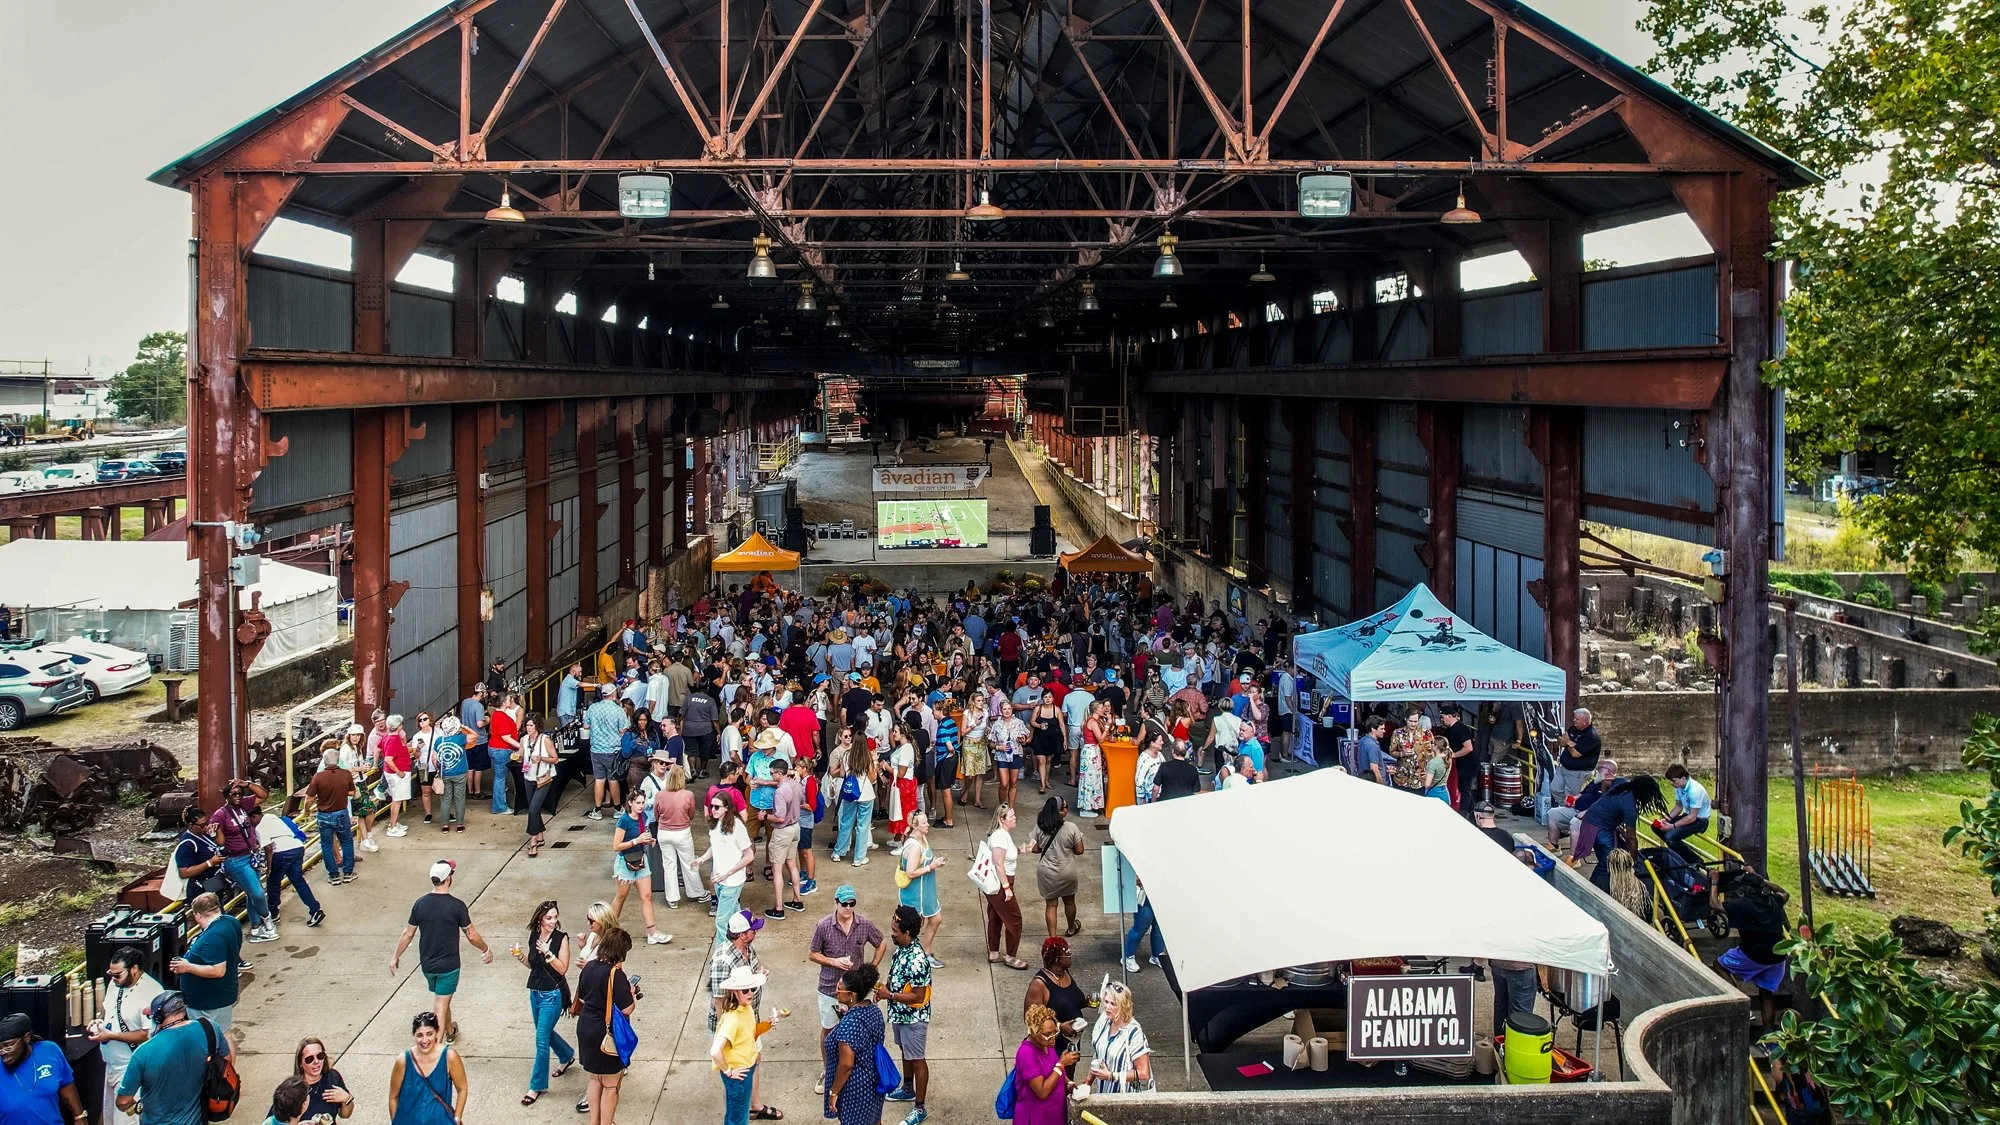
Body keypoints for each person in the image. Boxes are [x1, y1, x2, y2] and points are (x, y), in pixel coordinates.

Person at [391, 860, 494, 1040]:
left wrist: (395, 957)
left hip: (428, 966)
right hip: (448, 966)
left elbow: (407, 934)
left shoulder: (420, 904)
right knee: (440, 1007)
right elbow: (471, 935)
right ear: (448, 879)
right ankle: (435, 1051)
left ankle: (450, 1030)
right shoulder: (456, 906)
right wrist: (485, 949)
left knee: (443, 1000)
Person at [116, 992, 231, 1125]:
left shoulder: (143, 1053)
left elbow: (123, 1102)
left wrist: (135, 1106)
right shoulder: (211, 1028)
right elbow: (226, 1062)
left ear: (158, 1018)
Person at [809, 885, 888, 1073]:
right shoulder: (823, 926)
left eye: (852, 904)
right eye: (844, 904)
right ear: (836, 903)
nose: (848, 908)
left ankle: (856, 1066)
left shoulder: (864, 924)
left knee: (861, 1030)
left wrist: (871, 968)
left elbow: (881, 942)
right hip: (830, 988)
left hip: (856, 991)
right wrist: (834, 962)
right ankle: (828, 1069)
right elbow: (813, 954)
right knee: (829, 1031)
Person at [91, 946, 165, 1125]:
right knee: (109, 1118)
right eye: (111, 974)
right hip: (111, 1064)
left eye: (117, 975)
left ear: (134, 970)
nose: (113, 978)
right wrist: (98, 1022)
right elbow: (107, 1009)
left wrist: (112, 1035)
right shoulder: (115, 984)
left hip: (131, 1067)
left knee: (126, 1119)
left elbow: (148, 1034)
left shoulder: (151, 992)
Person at [515, 900, 577, 1106]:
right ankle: (567, 1055)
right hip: (535, 992)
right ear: (540, 919)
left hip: (553, 995)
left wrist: (548, 953)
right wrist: (521, 956)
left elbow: (562, 969)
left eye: (555, 917)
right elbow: (533, 965)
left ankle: (536, 1086)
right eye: (549, 918)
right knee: (546, 1033)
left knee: (541, 1040)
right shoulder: (534, 935)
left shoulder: (561, 939)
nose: (553, 921)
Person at [1715, 865, 1792, 1025]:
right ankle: (1769, 1038)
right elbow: (1785, 892)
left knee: (1719, 965)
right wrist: (1760, 878)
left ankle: (1743, 1006)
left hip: (1753, 954)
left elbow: (1714, 904)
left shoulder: (1742, 905)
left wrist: (1714, 883)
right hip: (1777, 957)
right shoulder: (1773, 901)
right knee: (1766, 994)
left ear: (1747, 889)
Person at [878, 905, 934, 1125]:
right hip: (899, 1015)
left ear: (907, 933)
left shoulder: (918, 960)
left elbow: (918, 997)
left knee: (917, 1059)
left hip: (914, 1019)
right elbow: (899, 978)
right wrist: (885, 990)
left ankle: (919, 1108)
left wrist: (889, 994)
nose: (891, 933)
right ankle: (908, 1088)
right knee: (906, 1051)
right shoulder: (902, 948)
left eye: (895, 931)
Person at [576, 927, 637, 1125]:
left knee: (595, 1079)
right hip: (605, 1032)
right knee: (611, 1085)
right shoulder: (615, 974)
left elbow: (583, 997)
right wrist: (631, 992)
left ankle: (594, 1122)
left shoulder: (589, 967)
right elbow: (627, 1008)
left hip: (586, 1027)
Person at [712, 966, 784, 1125]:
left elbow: (749, 1032)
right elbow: (715, 1051)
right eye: (745, 991)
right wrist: (729, 1071)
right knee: (739, 1120)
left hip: (745, 1069)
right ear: (734, 992)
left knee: (735, 1115)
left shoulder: (745, 1008)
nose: (750, 993)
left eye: (752, 988)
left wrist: (768, 1024)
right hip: (740, 1073)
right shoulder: (732, 1019)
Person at [209, 777, 276, 941]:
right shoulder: (220, 815)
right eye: (233, 794)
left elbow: (263, 795)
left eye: (239, 793)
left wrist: (247, 784)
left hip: (251, 856)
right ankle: (267, 920)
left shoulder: (244, 806)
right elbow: (219, 840)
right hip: (236, 860)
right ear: (227, 796)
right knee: (258, 893)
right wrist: (215, 831)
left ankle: (255, 928)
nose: (238, 796)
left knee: (251, 893)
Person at [822, 964, 887, 1125]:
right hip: (875, 1081)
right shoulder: (873, 1010)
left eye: (840, 988)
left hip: (855, 1089)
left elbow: (846, 1065)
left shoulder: (848, 1025)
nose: (836, 991)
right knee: (875, 1120)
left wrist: (834, 1092)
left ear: (852, 994)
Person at [170, 892, 243, 1031]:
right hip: (217, 997)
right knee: (223, 1035)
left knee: (214, 1038)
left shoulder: (214, 936)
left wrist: (187, 967)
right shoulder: (230, 922)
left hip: (210, 1004)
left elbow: (218, 970)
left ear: (197, 915)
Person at [1583, 775, 1667, 892]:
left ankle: (1599, 889)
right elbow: (1631, 838)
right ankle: (1594, 891)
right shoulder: (1630, 807)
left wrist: (1606, 800)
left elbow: (1607, 781)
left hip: (1592, 818)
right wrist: (1634, 860)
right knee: (1609, 863)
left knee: (1608, 861)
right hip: (1599, 828)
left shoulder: (1622, 783)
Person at [611, 789, 673, 945]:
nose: (641, 806)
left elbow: (641, 836)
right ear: (630, 803)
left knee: (647, 896)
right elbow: (616, 846)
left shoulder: (643, 817)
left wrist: (648, 840)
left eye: (643, 802)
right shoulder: (623, 821)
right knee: (620, 897)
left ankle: (652, 932)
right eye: (637, 802)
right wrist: (636, 841)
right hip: (625, 863)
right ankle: (608, 928)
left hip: (640, 860)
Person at [0, 1010, 84, 1125]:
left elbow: (67, 1087)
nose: (3, 1052)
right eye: (0, 1047)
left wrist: (80, 1117)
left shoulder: (50, 1051)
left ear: (26, 1038)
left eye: (8, 1046)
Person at [387, 1012, 467, 1125]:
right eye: (420, 1035)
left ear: (437, 1033)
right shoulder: (403, 1061)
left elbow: (462, 1088)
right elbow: (393, 1097)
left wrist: (457, 1118)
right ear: (413, 1035)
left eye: (429, 1034)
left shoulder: (450, 1057)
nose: (425, 1040)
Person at [1023, 937, 1089, 1071]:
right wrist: (1059, 1027)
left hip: (1072, 1043)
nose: (1070, 955)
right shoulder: (1039, 985)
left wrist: (1086, 1002)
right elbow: (1030, 1019)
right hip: (1052, 1048)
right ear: (1057, 960)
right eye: (1067, 953)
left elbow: (1070, 1001)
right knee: (1054, 1084)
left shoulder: (1065, 974)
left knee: (1068, 1081)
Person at [1028, 796, 1086, 938]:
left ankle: (1052, 938)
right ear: (1060, 812)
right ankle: (1071, 928)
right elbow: (1080, 850)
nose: (1067, 809)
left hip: (1047, 872)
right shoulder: (1071, 828)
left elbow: (1035, 848)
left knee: (1051, 905)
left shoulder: (1040, 826)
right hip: (1067, 871)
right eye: (1065, 807)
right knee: (1069, 901)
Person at [980, 804, 1030, 970]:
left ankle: (994, 951)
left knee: (995, 915)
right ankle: (1010, 956)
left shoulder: (1002, 835)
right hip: (1001, 882)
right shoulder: (1000, 837)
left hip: (997, 883)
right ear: (1002, 820)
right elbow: (998, 863)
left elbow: (1003, 854)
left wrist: (1019, 850)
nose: (1015, 818)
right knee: (1014, 919)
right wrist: (1007, 887)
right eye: (1011, 816)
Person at [653, 762, 709, 909]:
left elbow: (656, 815)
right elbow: (691, 815)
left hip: (664, 832)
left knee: (669, 865)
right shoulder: (688, 795)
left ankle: (672, 898)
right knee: (689, 863)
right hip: (682, 832)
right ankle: (697, 892)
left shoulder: (660, 795)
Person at [700, 796, 754, 945]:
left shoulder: (737, 826)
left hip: (732, 882)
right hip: (719, 881)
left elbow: (749, 855)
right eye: (712, 806)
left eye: (717, 807)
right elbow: (714, 846)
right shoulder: (715, 824)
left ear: (727, 808)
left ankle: (721, 954)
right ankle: (746, 938)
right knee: (736, 916)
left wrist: (729, 872)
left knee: (721, 921)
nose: (713, 810)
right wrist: (702, 859)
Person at [1088, 979, 1153, 1093]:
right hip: (1103, 1094)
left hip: (1125, 1099)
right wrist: (1087, 1083)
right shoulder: (1103, 1022)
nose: (1107, 1007)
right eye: (1106, 1002)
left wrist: (1112, 1076)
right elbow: (1098, 1055)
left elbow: (1144, 1073)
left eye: (1113, 1004)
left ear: (1124, 1006)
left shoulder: (1133, 1032)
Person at [1014, 1004, 1075, 1125]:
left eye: (1055, 1032)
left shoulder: (1047, 1045)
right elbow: (1042, 1092)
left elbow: (1054, 1069)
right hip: (1037, 1118)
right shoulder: (1026, 1054)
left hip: (1054, 1115)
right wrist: (1061, 1064)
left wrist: (1068, 1083)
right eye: (1047, 1034)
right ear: (1033, 1032)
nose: (1053, 1038)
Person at [764, 758, 808, 920]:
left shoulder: (780, 792)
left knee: (777, 870)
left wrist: (766, 816)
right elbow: (803, 802)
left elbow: (779, 817)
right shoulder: (797, 785)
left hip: (783, 831)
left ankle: (779, 907)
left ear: (779, 773)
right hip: (796, 827)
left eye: (772, 773)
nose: (771, 775)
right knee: (792, 864)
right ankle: (797, 900)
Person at [306, 751, 359, 883]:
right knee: (346, 842)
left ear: (324, 761)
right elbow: (352, 792)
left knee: (326, 845)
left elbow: (309, 798)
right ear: (338, 760)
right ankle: (348, 872)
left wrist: (306, 811)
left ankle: (333, 875)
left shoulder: (318, 777)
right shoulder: (346, 774)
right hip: (341, 812)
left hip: (323, 814)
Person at [830, 731, 878, 866]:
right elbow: (873, 778)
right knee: (863, 826)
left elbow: (842, 774)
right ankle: (859, 857)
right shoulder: (867, 757)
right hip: (866, 794)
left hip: (851, 793)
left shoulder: (846, 755)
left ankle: (838, 852)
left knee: (846, 823)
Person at [586, 685, 630, 819]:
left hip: (596, 749)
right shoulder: (618, 710)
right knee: (613, 779)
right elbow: (623, 730)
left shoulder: (593, 708)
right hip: (613, 750)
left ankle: (597, 810)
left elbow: (586, 725)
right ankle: (617, 809)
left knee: (599, 779)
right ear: (613, 695)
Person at [289, 1037, 355, 1124]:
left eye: (320, 1056)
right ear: (300, 1063)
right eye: (309, 1059)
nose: (316, 1061)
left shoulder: (333, 1077)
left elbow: (345, 1115)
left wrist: (347, 1099)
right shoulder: (291, 1090)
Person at [1658, 763, 1714, 865]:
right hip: (1688, 815)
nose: (1671, 783)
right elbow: (1679, 806)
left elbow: (1693, 816)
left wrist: (1672, 826)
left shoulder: (1695, 790)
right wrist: (1667, 819)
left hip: (1700, 820)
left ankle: (1695, 860)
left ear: (1683, 779)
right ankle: (1677, 851)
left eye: (1674, 781)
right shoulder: (1679, 787)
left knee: (1670, 836)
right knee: (1657, 827)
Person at [522, 714, 561, 856]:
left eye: (531, 725)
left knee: (532, 809)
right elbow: (521, 756)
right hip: (528, 777)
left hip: (543, 778)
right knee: (534, 808)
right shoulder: (524, 740)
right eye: (527, 725)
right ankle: (540, 835)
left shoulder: (545, 740)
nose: (529, 728)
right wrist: (517, 756)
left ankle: (533, 841)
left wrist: (542, 758)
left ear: (537, 726)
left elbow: (555, 759)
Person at [1554, 708, 1603, 799]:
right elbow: (1561, 741)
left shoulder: (1592, 736)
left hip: (1578, 772)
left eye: (1577, 719)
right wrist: (1570, 744)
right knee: (1555, 789)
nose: (1574, 720)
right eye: (1574, 718)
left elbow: (1575, 754)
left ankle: (1570, 811)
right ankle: (1564, 809)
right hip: (1564, 767)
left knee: (1571, 797)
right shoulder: (1573, 728)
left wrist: (1568, 742)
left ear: (1585, 721)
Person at [431, 715, 470, 832]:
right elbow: (475, 736)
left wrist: (438, 769)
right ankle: (459, 824)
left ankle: (444, 825)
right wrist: (464, 726)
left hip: (445, 774)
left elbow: (434, 758)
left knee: (445, 799)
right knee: (460, 798)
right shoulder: (461, 738)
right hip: (460, 773)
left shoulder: (439, 740)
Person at [1119, 878, 1165, 974]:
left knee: (1159, 927)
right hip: (1145, 889)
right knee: (1141, 926)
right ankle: (1128, 957)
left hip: (1162, 887)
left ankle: (1157, 955)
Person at [379, 715, 415, 835]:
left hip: (393, 773)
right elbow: (389, 759)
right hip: (397, 774)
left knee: (396, 799)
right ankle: (392, 827)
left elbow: (379, 749)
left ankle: (393, 823)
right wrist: (399, 772)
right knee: (397, 800)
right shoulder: (393, 740)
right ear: (399, 726)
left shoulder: (387, 737)